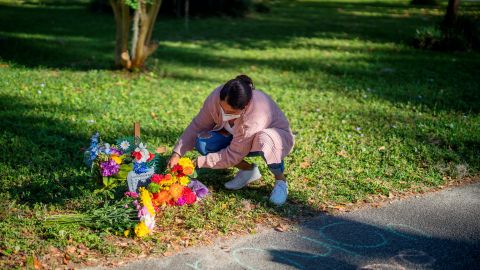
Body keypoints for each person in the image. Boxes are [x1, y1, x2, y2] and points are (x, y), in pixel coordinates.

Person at [167, 75, 294, 206]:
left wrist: (198, 162)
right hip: (238, 138)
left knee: (265, 141)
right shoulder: (217, 96)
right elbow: (198, 125)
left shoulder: (254, 116)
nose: (224, 113)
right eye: (222, 108)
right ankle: (248, 171)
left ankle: (281, 181)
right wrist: (177, 153)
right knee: (204, 143)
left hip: (273, 139)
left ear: (244, 107)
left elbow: (233, 154)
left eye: (230, 112)